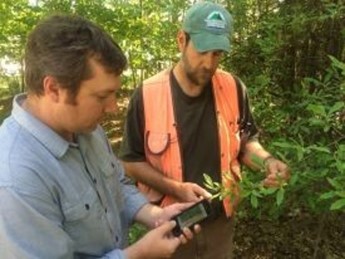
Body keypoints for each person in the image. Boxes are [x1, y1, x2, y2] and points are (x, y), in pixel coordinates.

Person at [0, 14, 199, 259]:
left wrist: (154, 215)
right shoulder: (15, 178)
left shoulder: (88, 130)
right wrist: (137, 255)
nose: (113, 107)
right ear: (53, 89)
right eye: (102, 96)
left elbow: (117, 183)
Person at [119, 2, 290, 259]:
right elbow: (131, 163)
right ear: (181, 40)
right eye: (202, 50)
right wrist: (176, 188)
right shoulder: (147, 94)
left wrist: (267, 161)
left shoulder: (233, 87)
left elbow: (246, 143)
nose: (210, 63)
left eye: (218, 53)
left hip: (220, 224)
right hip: (170, 224)